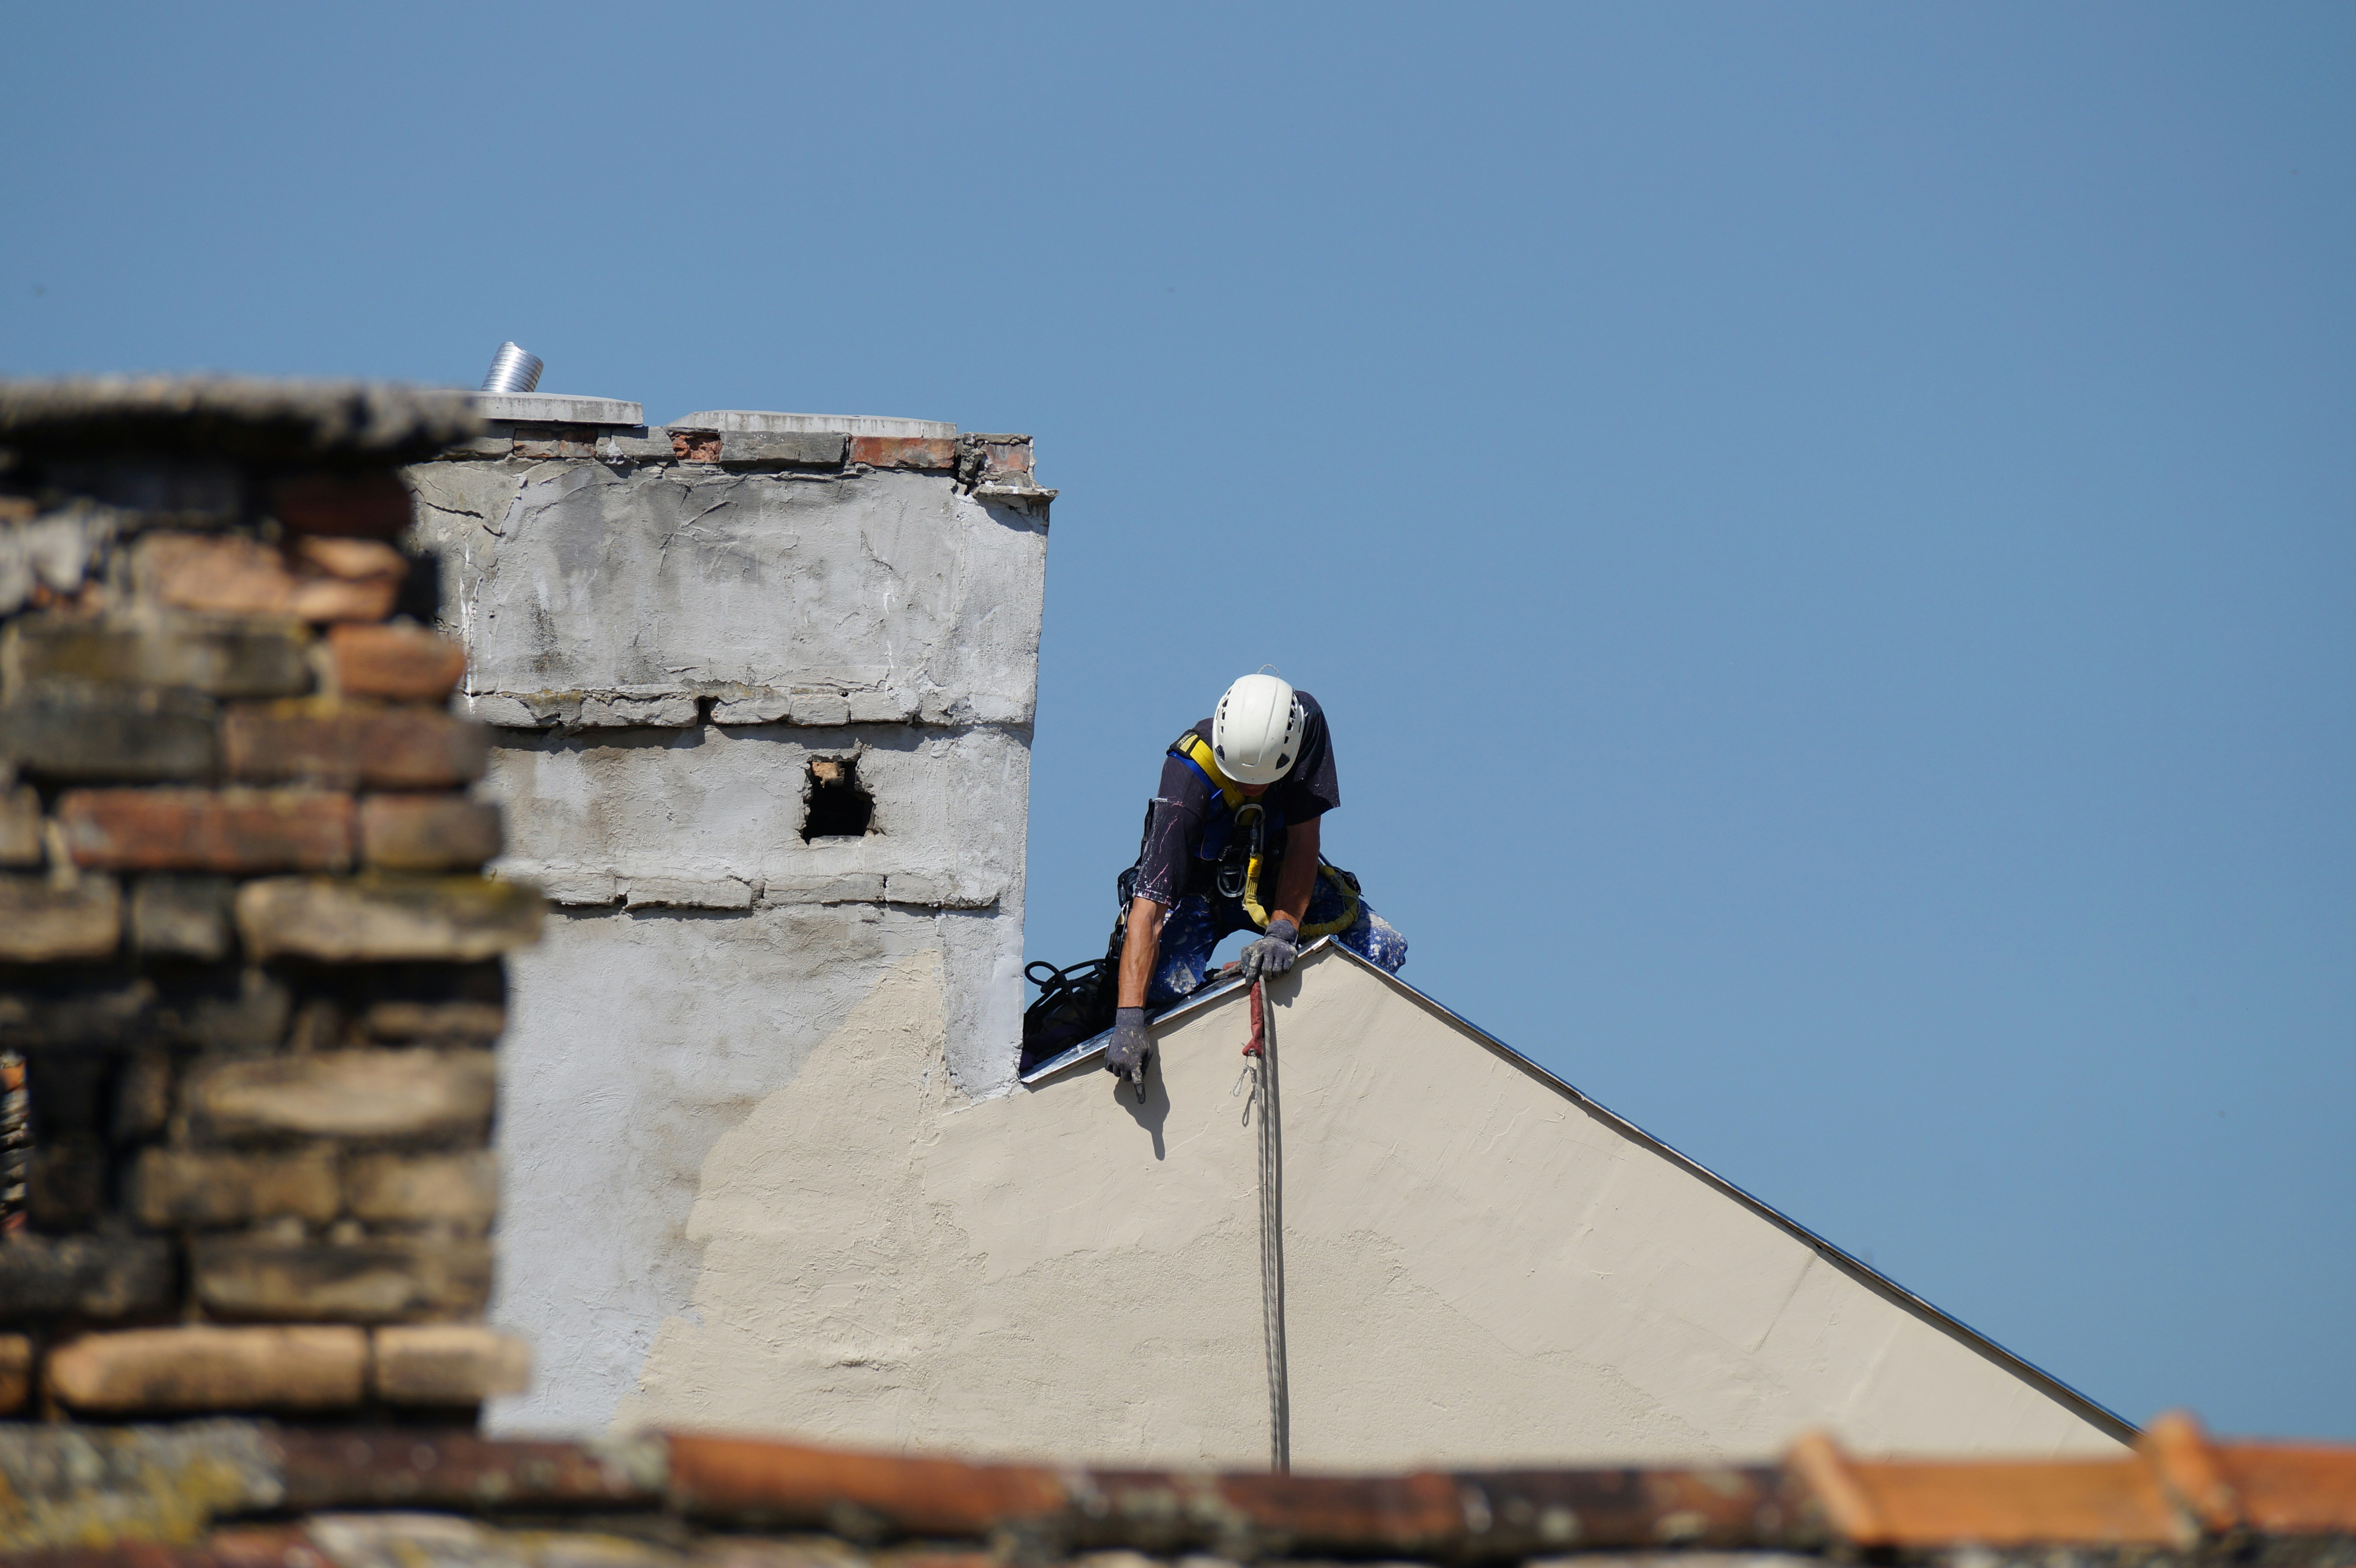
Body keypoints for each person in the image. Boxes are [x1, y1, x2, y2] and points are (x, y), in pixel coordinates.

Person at [1102, 671, 1407, 1090]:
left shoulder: (1305, 725)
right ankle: (1220, 1014)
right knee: (1162, 989)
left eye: (1260, 779)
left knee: (1382, 947)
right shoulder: (1186, 774)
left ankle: (1311, 1055)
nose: (1248, 786)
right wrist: (1129, 1018)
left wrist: (1283, 929)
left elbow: (1303, 839)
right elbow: (1149, 908)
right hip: (1200, 892)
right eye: (1238, 777)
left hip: (1277, 873)